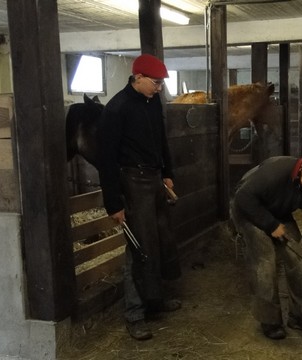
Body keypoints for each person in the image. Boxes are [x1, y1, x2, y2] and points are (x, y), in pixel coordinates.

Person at [97, 53, 181, 341]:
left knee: (160, 240)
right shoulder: (116, 109)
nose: (159, 88)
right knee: (139, 248)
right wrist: (114, 203)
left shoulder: (152, 101)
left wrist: (167, 171)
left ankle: (155, 302)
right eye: (156, 83)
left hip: (155, 179)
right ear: (139, 78)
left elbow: (161, 139)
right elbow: (105, 159)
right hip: (132, 182)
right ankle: (135, 314)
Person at [230, 147, 302, 340]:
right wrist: (270, 224)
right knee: (265, 258)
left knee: (298, 256)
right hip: (247, 209)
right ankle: (269, 320)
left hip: (277, 211)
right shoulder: (277, 170)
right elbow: (243, 197)